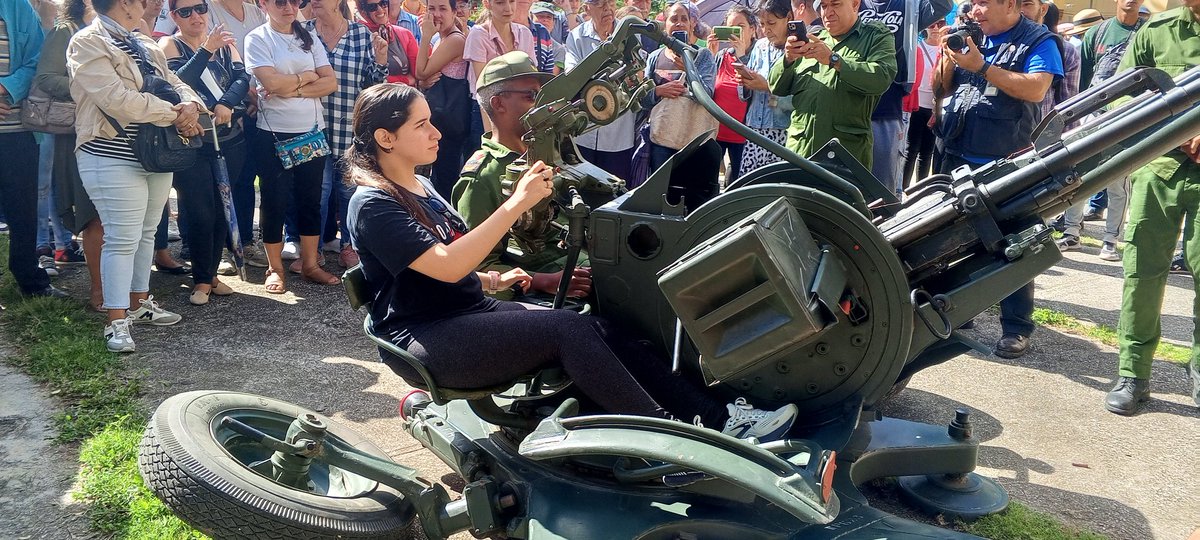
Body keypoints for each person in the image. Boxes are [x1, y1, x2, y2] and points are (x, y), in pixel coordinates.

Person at [346, 81, 800, 440]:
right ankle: (670, 438)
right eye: (422, 125)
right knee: (567, 330)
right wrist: (516, 204)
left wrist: (496, 281)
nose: (437, 132)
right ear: (386, 138)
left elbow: (427, 271)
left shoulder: (420, 186)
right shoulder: (373, 203)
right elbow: (445, 264)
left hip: (465, 310)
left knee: (600, 325)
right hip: (429, 335)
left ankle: (717, 417)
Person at [68, 0, 207, 351]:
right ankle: (116, 322)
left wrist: (191, 104)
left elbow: (174, 80)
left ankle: (140, 304)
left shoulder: (142, 41)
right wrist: (174, 114)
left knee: (147, 232)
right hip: (109, 152)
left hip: (155, 152)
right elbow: (116, 99)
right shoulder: (87, 41)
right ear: (125, 3)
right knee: (121, 237)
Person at [932, 0, 1063, 359]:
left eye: (984, 2)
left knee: (1016, 241)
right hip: (956, 153)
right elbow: (941, 88)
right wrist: (948, 57)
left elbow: (1036, 89)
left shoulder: (1038, 40)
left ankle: (1016, 327)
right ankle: (959, 311)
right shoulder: (971, 35)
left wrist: (982, 67)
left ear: (1010, 3)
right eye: (973, 2)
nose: (975, 10)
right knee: (949, 241)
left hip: (1006, 162)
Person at [1103, 0, 1200, 415]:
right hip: (1159, 169)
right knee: (1142, 272)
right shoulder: (1156, 30)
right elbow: (1118, 97)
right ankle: (1134, 373)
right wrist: (1173, 130)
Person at [451, 51, 591, 300]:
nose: (541, 104)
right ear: (498, 104)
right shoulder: (481, 179)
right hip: (546, 289)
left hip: (578, 262)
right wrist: (542, 281)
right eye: (531, 96)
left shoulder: (545, 151)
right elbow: (476, 267)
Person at [244, 0, 340, 293]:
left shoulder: (307, 37)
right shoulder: (257, 38)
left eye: (294, 1)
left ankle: (311, 264)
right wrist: (307, 78)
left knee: (311, 200)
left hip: (311, 131)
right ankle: (275, 269)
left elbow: (330, 83)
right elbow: (270, 82)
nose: (289, 7)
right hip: (273, 134)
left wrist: (292, 88)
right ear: (263, 4)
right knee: (274, 201)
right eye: (280, 2)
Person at [160, 0, 252, 305]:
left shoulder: (224, 42)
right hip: (192, 140)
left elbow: (242, 79)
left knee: (222, 209)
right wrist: (206, 49)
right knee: (200, 211)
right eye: (185, 12)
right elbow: (177, 83)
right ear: (175, 16)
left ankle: (210, 275)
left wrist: (226, 103)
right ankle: (201, 278)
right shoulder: (169, 45)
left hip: (230, 138)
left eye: (200, 8)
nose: (195, 16)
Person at [1056, 0, 1144, 262]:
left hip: (1127, 116)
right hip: (1092, 115)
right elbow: (1083, 80)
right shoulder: (1097, 33)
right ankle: (1071, 232)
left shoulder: (1146, 32)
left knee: (1118, 181)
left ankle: (1110, 240)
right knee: (1078, 175)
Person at [303, 0, 389, 270]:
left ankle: (349, 246)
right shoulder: (303, 31)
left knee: (349, 191)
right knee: (317, 192)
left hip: (348, 130)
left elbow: (372, 86)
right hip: (311, 128)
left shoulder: (360, 34)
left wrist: (381, 59)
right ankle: (313, 250)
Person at [769, 0, 897, 169]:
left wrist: (834, 60)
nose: (827, 12)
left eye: (835, 4)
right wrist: (788, 59)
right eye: (823, 6)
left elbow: (882, 77)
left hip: (844, 159)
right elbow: (776, 87)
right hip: (800, 154)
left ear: (855, 4)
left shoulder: (875, 36)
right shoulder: (812, 38)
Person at [35, 0, 99, 308]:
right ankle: (99, 289)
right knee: (90, 211)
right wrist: (93, 86)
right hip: (76, 131)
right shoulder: (65, 30)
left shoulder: (114, 29)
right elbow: (46, 77)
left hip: (113, 131)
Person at [1, 0, 64, 302]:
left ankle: (30, 279)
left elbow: (38, 59)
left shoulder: (18, 6)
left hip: (19, 132)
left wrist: (6, 88)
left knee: (23, 210)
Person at [857, 0, 953, 194]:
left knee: (883, 186)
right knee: (849, 178)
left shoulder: (909, 5)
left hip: (888, 104)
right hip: (852, 97)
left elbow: (943, 5)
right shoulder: (855, 3)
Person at [564, 0, 637, 180]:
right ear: (586, 8)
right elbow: (572, 77)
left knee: (615, 188)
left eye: (610, 2)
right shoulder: (577, 36)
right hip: (584, 132)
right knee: (582, 184)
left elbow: (637, 73)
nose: (607, 8)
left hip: (618, 133)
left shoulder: (629, 34)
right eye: (599, 3)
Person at [643, 0, 718, 173]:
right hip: (661, 139)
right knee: (660, 185)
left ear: (692, 24)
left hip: (694, 141)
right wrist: (658, 91)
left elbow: (707, 95)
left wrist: (689, 70)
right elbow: (643, 99)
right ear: (665, 25)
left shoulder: (702, 55)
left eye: (684, 19)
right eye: (674, 19)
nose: (679, 23)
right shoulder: (655, 57)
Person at [416, 0, 472, 196]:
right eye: (432, 9)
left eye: (443, 9)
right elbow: (423, 76)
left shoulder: (455, 40)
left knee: (445, 181)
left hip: (450, 122)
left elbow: (421, 71)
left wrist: (425, 37)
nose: (437, 14)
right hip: (443, 120)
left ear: (454, 12)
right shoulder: (442, 38)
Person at [464, 0, 536, 146]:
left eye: (511, 1)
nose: (508, 8)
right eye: (500, 3)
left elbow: (532, 78)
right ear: (487, 4)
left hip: (520, 108)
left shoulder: (524, 33)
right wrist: (491, 136)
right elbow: (483, 90)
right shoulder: (478, 34)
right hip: (487, 109)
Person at [736, 0, 794, 174]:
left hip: (783, 132)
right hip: (754, 130)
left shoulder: (797, 49)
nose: (766, 29)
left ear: (789, 18)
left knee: (777, 183)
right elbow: (744, 96)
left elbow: (802, 97)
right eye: (762, 24)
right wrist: (746, 82)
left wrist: (768, 86)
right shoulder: (759, 47)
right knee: (750, 184)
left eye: (771, 23)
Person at [709, 5, 757, 184]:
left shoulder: (759, 54)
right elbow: (708, 88)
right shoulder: (721, 56)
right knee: (709, 182)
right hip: (718, 132)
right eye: (730, 28)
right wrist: (710, 55)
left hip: (744, 134)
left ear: (752, 30)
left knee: (738, 183)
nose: (735, 33)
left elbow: (751, 90)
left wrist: (741, 56)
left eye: (740, 27)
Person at [901, 20, 944, 186]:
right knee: (911, 149)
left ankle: (922, 189)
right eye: (932, 25)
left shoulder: (947, 49)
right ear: (926, 27)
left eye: (940, 24)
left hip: (936, 107)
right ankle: (903, 188)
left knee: (927, 152)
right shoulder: (918, 48)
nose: (936, 28)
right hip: (917, 105)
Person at [358, 0, 419, 86]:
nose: (380, 10)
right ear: (364, 12)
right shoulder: (359, 38)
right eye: (372, 7)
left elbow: (417, 72)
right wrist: (405, 80)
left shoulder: (405, 34)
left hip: (407, 93)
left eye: (383, 3)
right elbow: (365, 77)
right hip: (376, 93)